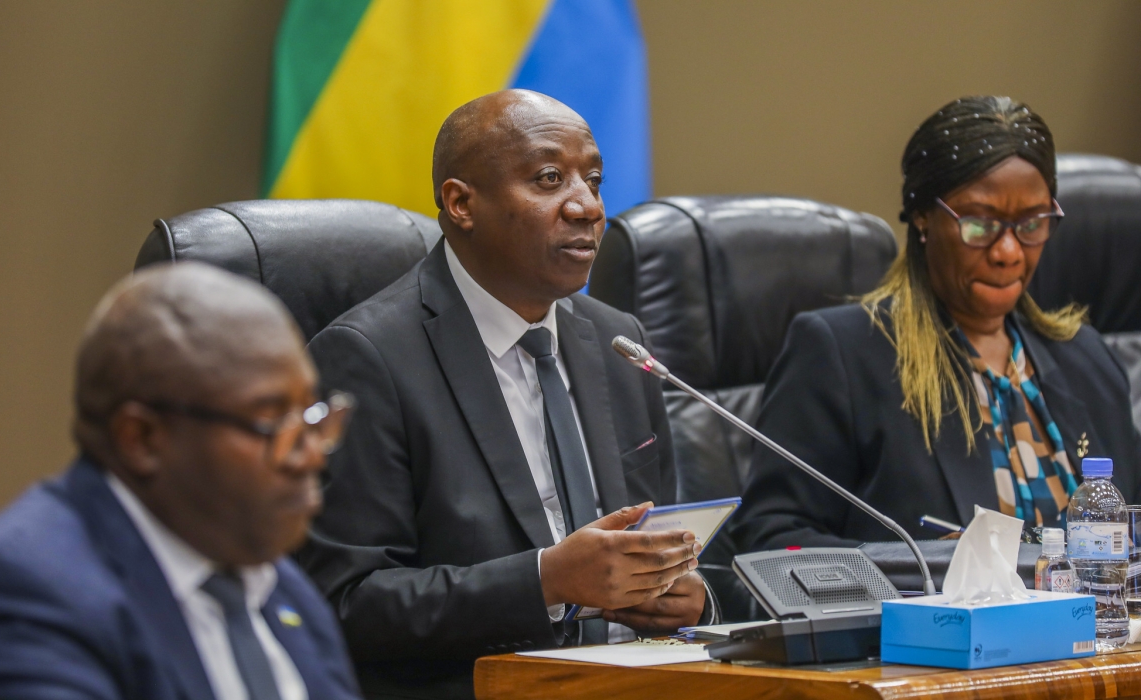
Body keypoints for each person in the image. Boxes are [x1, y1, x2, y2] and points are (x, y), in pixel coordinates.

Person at [299, 90, 715, 700]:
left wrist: (687, 596)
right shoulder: (369, 357)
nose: (588, 207)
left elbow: (660, 535)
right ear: (461, 203)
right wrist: (547, 581)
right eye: (549, 179)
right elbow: (345, 601)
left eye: (593, 181)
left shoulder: (619, 340)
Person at [735, 96, 1141, 552]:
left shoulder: (1087, 357)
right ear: (925, 218)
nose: (1009, 251)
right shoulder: (841, 354)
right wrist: (927, 562)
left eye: (1032, 223)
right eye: (980, 224)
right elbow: (769, 542)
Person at [0, 263, 363, 700]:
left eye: (313, 417)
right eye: (271, 422)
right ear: (141, 440)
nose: (312, 453)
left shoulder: (281, 589)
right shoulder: (23, 595)